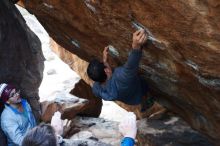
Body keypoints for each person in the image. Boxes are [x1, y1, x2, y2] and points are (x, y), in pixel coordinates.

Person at [87, 30, 155, 111]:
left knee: (136, 93)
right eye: (103, 64)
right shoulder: (121, 76)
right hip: (139, 89)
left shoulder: (97, 89)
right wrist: (136, 46)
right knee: (144, 83)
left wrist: (105, 61)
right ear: (106, 71)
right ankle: (148, 99)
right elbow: (131, 64)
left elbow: (102, 80)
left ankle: (143, 102)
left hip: (131, 100)